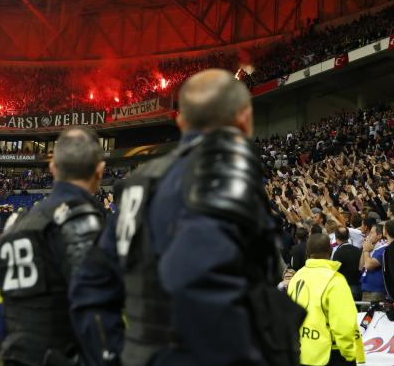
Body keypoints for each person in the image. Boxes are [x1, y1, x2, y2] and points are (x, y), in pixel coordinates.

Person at [70, 69, 304, 366]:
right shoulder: (230, 181)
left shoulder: (136, 186)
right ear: (245, 120)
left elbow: (90, 283)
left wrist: (114, 353)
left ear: (180, 121)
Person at [0, 128, 106, 366]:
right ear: (100, 171)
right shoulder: (79, 220)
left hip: (15, 355)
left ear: (53, 168)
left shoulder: (15, 223)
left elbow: (5, 303)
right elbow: (97, 311)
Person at [288, 234, 364, 366]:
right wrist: (350, 353)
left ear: (307, 252)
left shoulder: (297, 277)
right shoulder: (335, 280)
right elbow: (344, 323)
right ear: (330, 251)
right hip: (330, 354)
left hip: (301, 352)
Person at [332, 227, 362, 301]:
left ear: (336, 238)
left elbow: (335, 272)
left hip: (345, 289)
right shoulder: (358, 250)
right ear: (348, 236)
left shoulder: (338, 253)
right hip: (359, 288)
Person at [360, 223, 386, 302]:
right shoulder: (371, 248)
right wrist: (364, 248)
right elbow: (361, 266)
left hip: (376, 290)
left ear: (379, 235)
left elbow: (368, 265)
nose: (369, 235)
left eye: (371, 232)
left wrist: (366, 250)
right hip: (365, 288)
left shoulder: (384, 248)